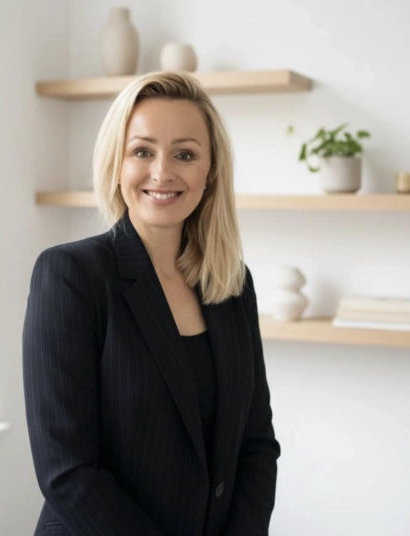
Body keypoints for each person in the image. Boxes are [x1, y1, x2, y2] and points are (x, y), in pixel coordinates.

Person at [22, 71, 281, 536]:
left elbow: (256, 445)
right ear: (117, 164)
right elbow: (68, 471)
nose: (162, 173)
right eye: (142, 151)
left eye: (185, 154)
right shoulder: (71, 275)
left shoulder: (233, 284)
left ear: (210, 172)